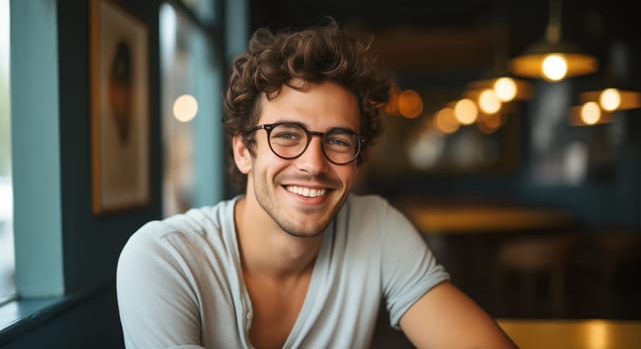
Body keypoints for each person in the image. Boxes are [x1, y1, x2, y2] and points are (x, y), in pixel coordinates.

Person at [116, 18, 517, 349]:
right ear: (243, 151)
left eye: (338, 141)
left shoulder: (376, 227)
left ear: (357, 162)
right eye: (287, 134)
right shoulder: (164, 260)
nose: (313, 164)